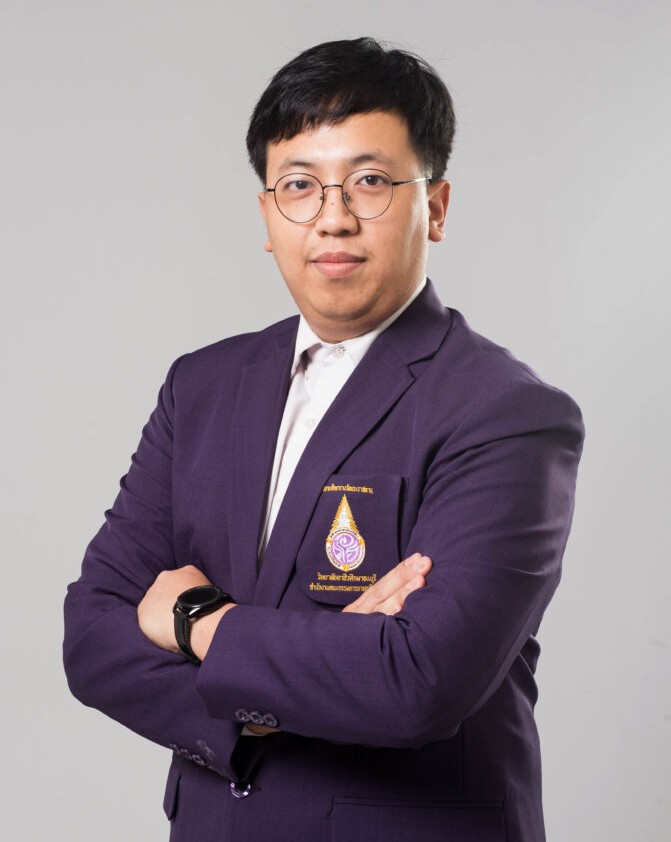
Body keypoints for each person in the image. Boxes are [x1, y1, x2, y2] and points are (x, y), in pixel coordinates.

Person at [63, 37, 584, 842]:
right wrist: (274, 702)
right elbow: (93, 634)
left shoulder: (505, 412)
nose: (332, 217)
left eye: (369, 181)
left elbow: (416, 682)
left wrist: (197, 620)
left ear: (436, 207)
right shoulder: (200, 387)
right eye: (299, 185)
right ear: (267, 216)